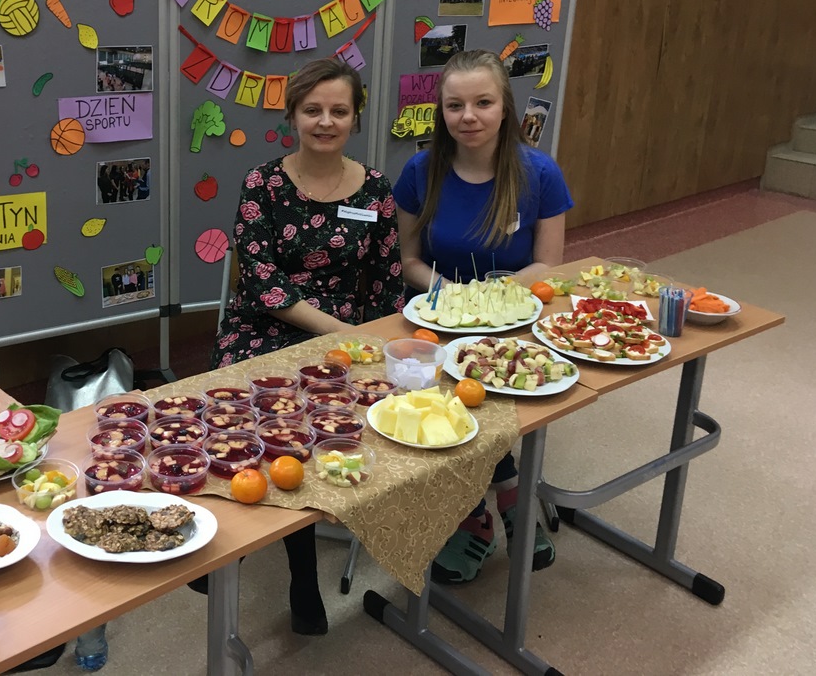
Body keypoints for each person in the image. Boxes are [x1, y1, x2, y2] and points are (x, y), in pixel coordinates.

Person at [210, 57, 404, 635]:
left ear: (355, 117)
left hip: (345, 334)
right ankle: (282, 562)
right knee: (270, 410)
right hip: (264, 325)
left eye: (339, 111)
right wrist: (341, 333)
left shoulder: (375, 188)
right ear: (292, 115)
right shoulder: (263, 183)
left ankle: (290, 556)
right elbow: (262, 284)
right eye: (312, 109)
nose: (325, 121)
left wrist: (376, 347)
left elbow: (387, 280)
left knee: (340, 408)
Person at [393, 48, 573, 585]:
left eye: (483, 103)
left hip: (512, 317)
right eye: (455, 105)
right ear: (441, 112)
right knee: (445, 401)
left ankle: (491, 506)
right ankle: (494, 506)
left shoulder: (540, 173)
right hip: (435, 312)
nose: (468, 116)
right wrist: (453, 297)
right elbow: (408, 260)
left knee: (497, 391)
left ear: (505, 107)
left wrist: (488, 301)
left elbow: (547, 266)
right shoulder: (421, 170)